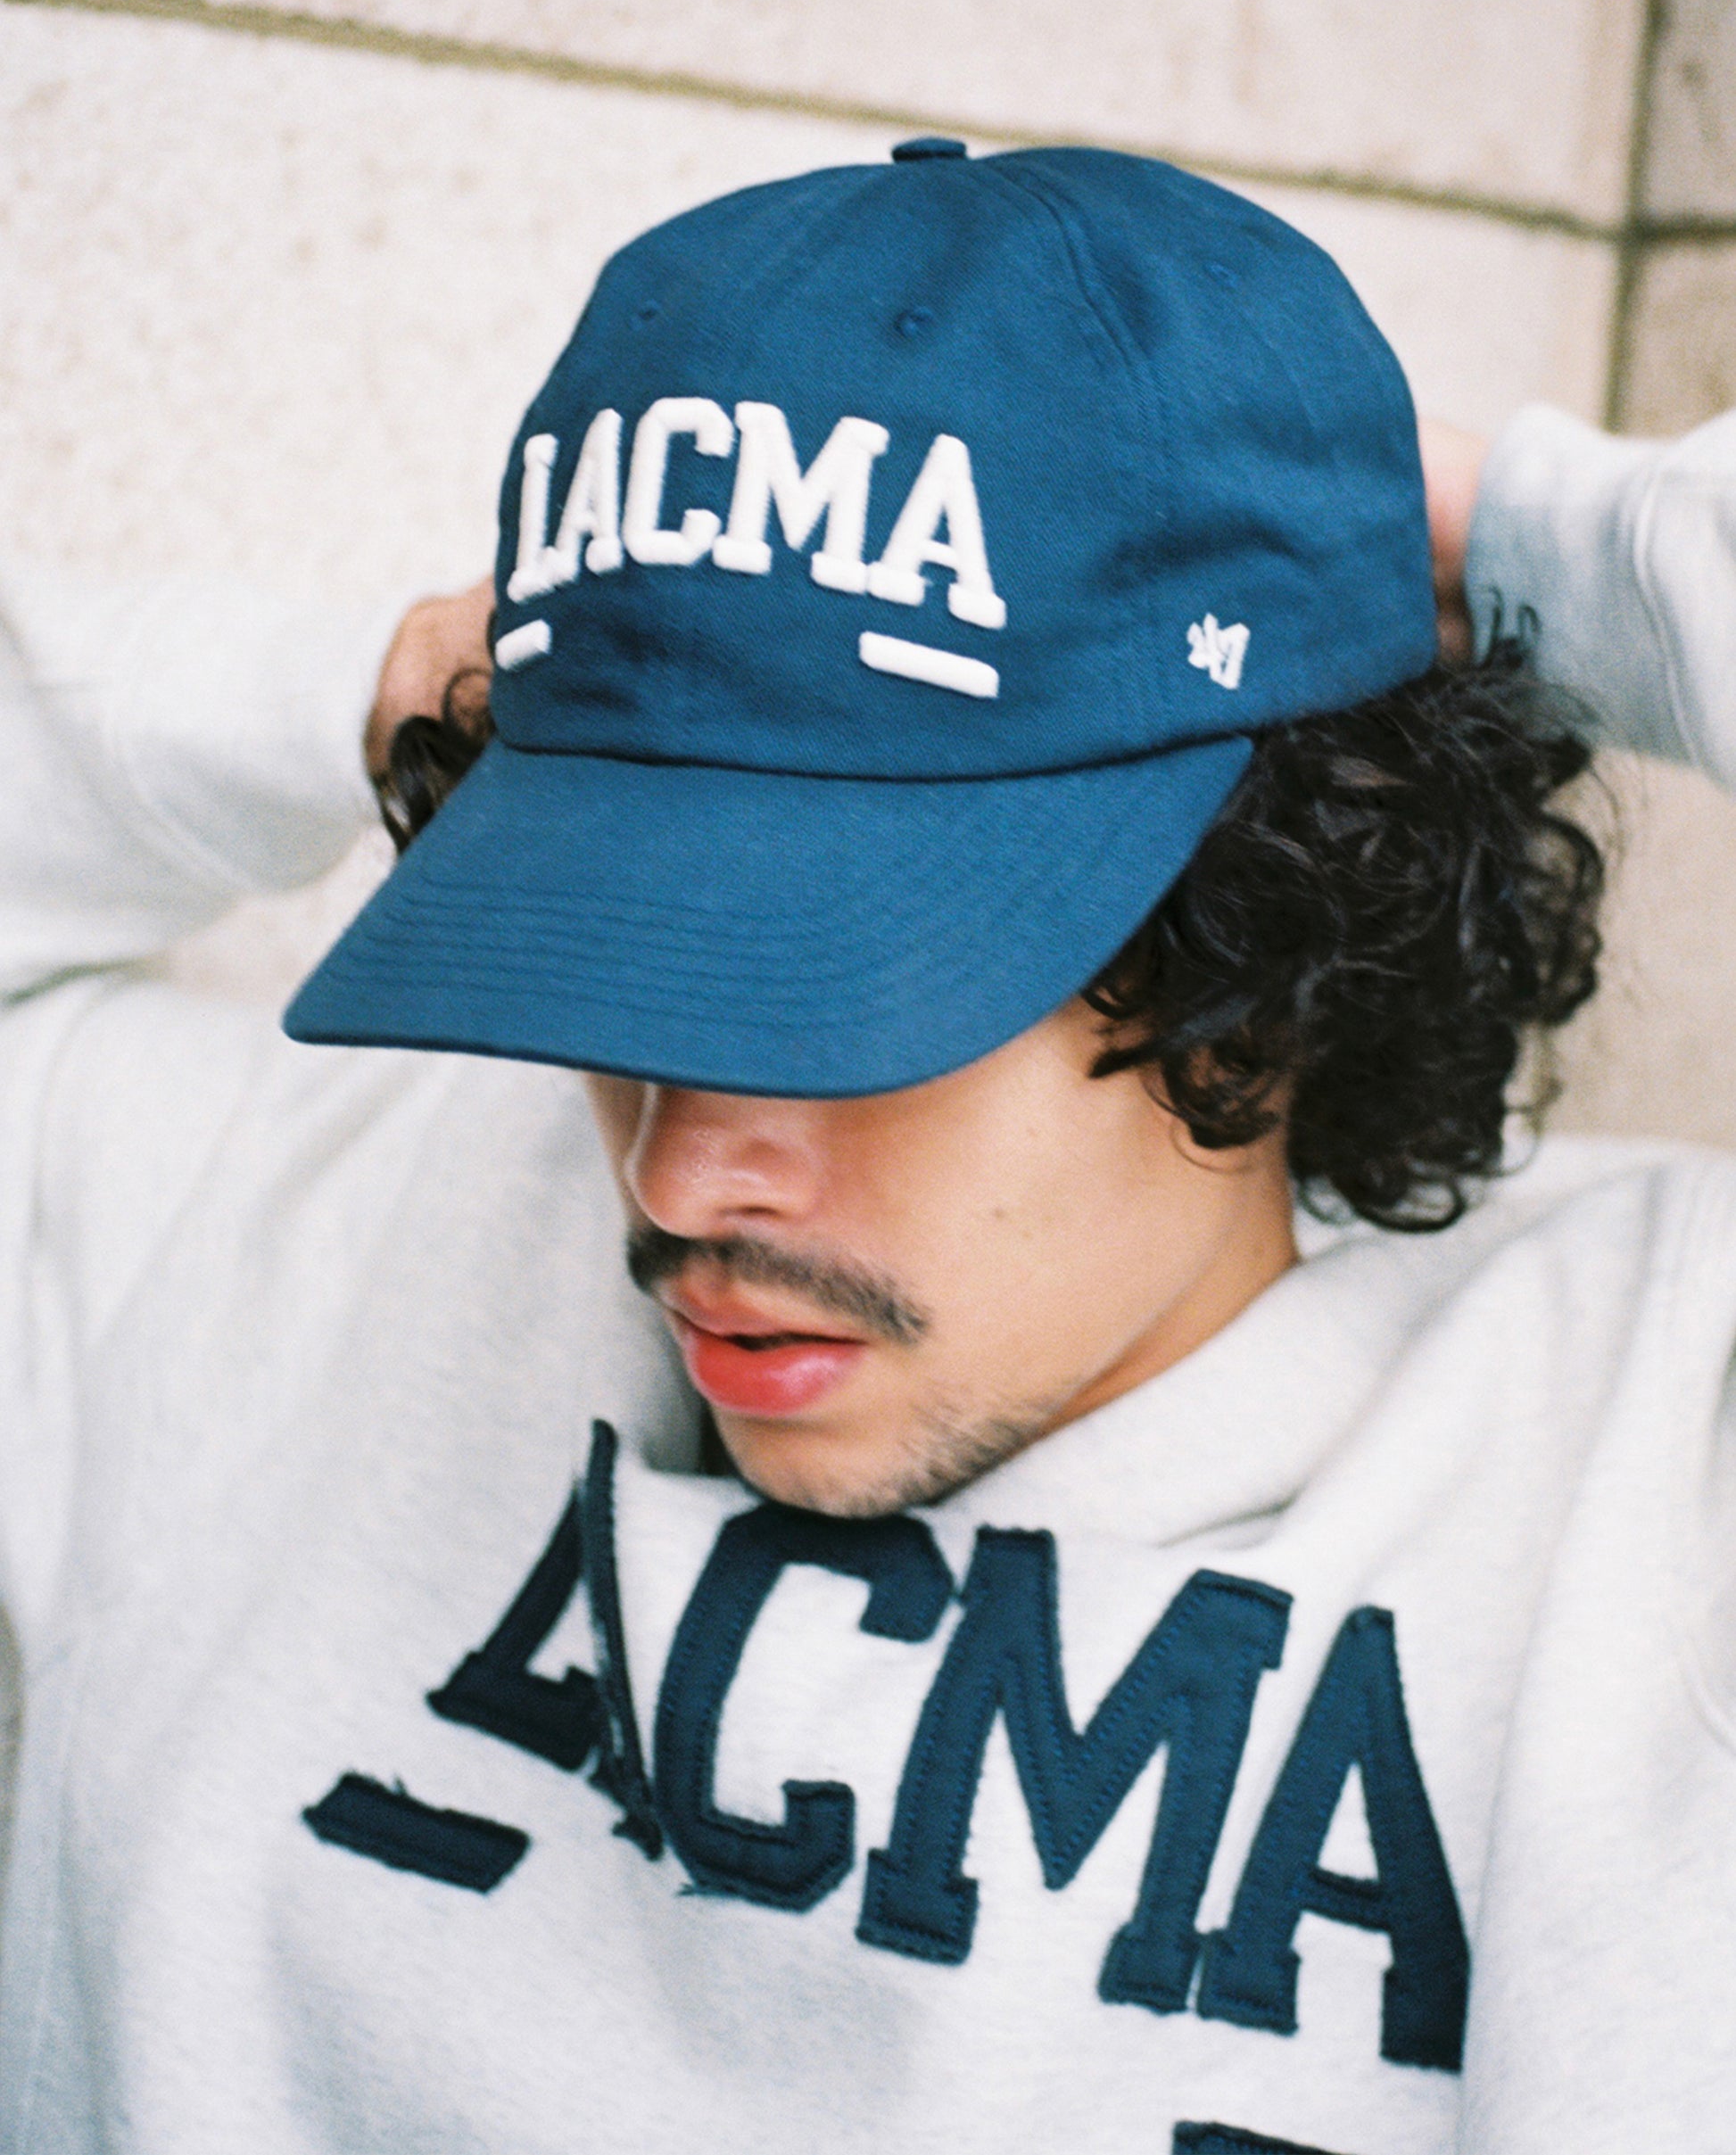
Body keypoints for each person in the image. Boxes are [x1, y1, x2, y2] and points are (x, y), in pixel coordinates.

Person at [1, 140, 1732, 2155]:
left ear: (1259, 945)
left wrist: (1524, 545)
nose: (674, 1182)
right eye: (618, 964)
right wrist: (426, 684)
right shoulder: (293, 1236)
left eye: (836, 1005)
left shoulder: (1642, 1447)